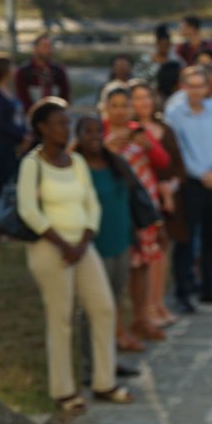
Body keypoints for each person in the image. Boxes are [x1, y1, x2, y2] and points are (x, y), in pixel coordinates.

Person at [18, 99, 131, 412]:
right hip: (49, 248)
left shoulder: (76, 162)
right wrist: (62, 244)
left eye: (68, 124)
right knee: (61, 317)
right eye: (59, 124)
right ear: (42, 127)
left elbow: (91, 204)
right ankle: (64, 390)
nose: (66, 129)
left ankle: (104, 381)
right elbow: (28, 209)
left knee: (103, 307)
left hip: (82, 246)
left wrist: (83, 240)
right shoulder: (33, 164)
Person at [101, 86, 170, 346]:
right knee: (119, 270)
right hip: (117, 210)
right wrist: (107, 148)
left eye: (124, 105)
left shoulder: (137, 131)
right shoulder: (100, 133)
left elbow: (163, 161)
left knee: (142, 265)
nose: (120, 111)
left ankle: (142, 317)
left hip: (143, 206)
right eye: (114, 105)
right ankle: (118, 328)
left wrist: (147, 146)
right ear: (106, 108)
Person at [74, 115, 143, 358]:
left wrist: (133, 233)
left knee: (113, 303)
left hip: (120, 242)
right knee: (93, 306)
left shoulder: (114, 162)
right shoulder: (75, 166)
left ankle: (108, 359)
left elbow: (130, 197)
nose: (94, 137)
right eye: (87, 132)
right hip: (94, 246)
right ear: (78, 137)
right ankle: (89, 362)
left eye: (97, 132)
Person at [165, 66, 212, 309]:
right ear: (184, 87)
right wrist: (200, 173)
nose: (196, 91)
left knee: (211, 236)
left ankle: (209, 287)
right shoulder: (174, 113)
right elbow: (178, 149)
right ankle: (183, 290)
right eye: (191, 86)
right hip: (191, 182)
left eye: (200, 86)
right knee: (186, 237)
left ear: (207, 87)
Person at [127, 81, 180, 325]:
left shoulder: (161, 129)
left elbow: (167, 162)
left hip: (158, 197)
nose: (144, 103)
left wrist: (169, 188)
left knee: (160, 251)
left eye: (147, 97)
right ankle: (145, 308)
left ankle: (158, 303)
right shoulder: (126, 131)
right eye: (137, 98)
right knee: (143, 255)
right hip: (136, 198)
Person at [0, 56, 29, 204]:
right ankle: (0, 215)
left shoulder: (8, 91)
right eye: (12, 67)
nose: (15, 70)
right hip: (3, 145)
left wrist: (26, 134)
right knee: (4, 182)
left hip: (16, 144)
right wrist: (22, 136)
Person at [15, 35, 70, 110]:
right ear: (35, 49)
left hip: (55, 113)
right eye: (45, 47)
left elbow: (64, 95)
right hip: (32, 114)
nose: (48, 50)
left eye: (50, 47)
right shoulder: (24, 71)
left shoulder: (58, 70)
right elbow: (23, 97)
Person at [134, 25, 178, 89]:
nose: (164, 47)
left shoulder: (175, 61)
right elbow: (136, 76)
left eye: (167, 45)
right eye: (162, 44)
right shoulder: (145, 59)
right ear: (157, 43)